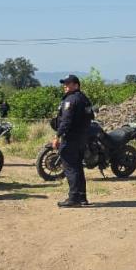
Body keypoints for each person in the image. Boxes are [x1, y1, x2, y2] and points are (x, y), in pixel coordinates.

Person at [52, 74, 94, 208]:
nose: (65, 85)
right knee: (77, 167)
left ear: (76, 85)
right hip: (82, 138)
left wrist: (57, 136)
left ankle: (74, 198)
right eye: (64, 83)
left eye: (68, 83)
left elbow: (66, 121)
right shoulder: (84, 99)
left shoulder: (71, 100)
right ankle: (82, 197)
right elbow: (90, 117)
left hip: (71, 138)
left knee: (70, 167)